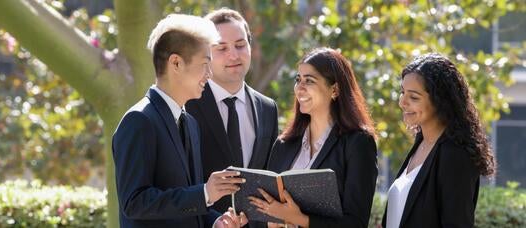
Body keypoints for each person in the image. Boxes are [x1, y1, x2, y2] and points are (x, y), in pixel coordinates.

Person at [112, 14, 248, 228]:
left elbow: (187, 203)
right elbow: (134, 203)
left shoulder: (190, 123)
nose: (209, 74)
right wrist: (204, 193)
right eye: (205, 64)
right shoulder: (138, 121)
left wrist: (215, 222)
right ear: (176, 62)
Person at [248, 47, 378, 227]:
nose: (299, 88)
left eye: (309, 81)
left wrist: (299, 219)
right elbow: (263, 214)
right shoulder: (284, 144)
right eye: (298, 79)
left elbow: (356, 222)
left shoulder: (358, 143)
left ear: (335, 90)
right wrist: (271, 222)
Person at [382, 53, 496, 228]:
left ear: (440, 101)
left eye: (413, 97)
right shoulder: (421, 143)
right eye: (402, 92)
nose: (402, 102)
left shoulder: (455, 155)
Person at [185, 8, 279, 213]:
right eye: (221, 48)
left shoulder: (268, 108)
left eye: (240, 45)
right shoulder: (186, 105)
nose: (233, 55)